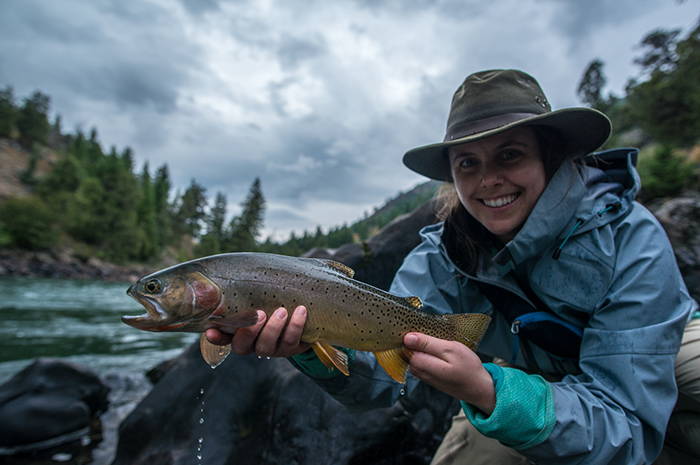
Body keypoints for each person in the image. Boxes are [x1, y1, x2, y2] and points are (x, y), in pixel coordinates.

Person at [206, 69, 700, 464]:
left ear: (551, 157)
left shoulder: (629, 236)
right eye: (468, 163)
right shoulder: (443, 254)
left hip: (658, 360)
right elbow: (382, 380)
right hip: (526, 377)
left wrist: (487, 389)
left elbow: (628, 426)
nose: (489, 180)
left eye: (509, 154)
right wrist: (310, 346)